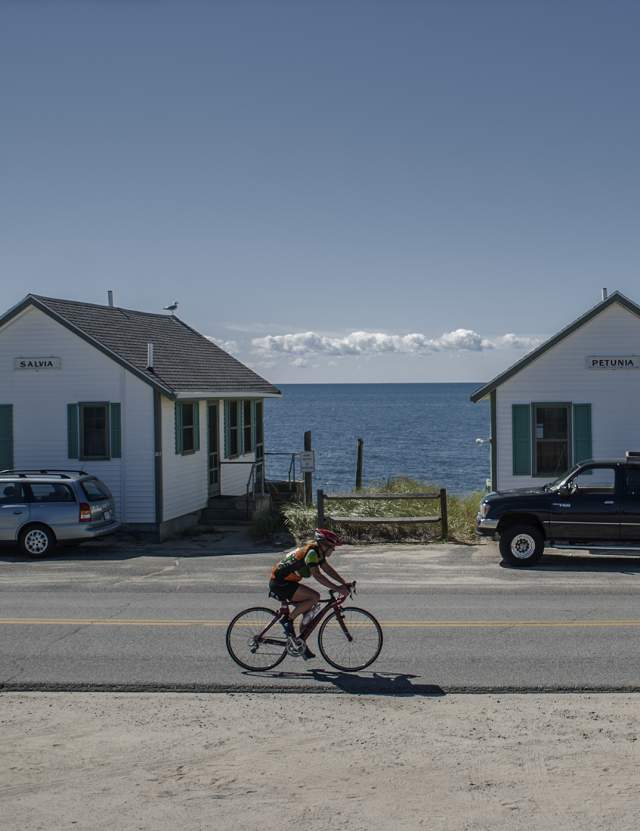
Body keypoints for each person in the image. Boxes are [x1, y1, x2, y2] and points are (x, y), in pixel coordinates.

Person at [269, 528, 351, 660]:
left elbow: (327, 569)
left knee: (309, 613)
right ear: (324, 545)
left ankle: (301, 645)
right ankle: (287, 620)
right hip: (280, 583)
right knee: (314, 597)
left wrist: (344, 583)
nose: (333, 550)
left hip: (287, 582)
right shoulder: (312, 553)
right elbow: (318, 576)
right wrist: (338, 588)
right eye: (332, 547)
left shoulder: (318, 552)